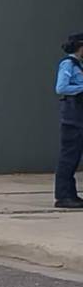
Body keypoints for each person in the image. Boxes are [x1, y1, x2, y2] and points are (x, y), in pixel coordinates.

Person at [54, 33, 83, 209]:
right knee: (69, 158)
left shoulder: (79, 65)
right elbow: (61, 87)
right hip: (72, 119)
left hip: (79, 117)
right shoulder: (68, 64)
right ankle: (64, 196)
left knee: (74, 157)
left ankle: (71, 195)